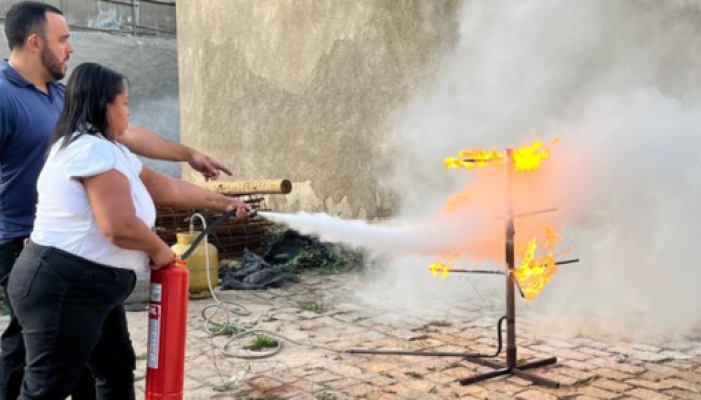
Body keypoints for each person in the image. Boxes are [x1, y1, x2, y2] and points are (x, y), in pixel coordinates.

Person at [0, 2, 234, 399]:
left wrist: (189, 156)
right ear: (35, 42)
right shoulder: (5, 97)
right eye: (63, 39)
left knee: (94, 359)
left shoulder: (64, 99)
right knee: (36, 354)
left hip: (84, 257)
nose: (70, 48)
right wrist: (158, 249)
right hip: (27, 243)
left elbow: (130, 138)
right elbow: (119, 223)